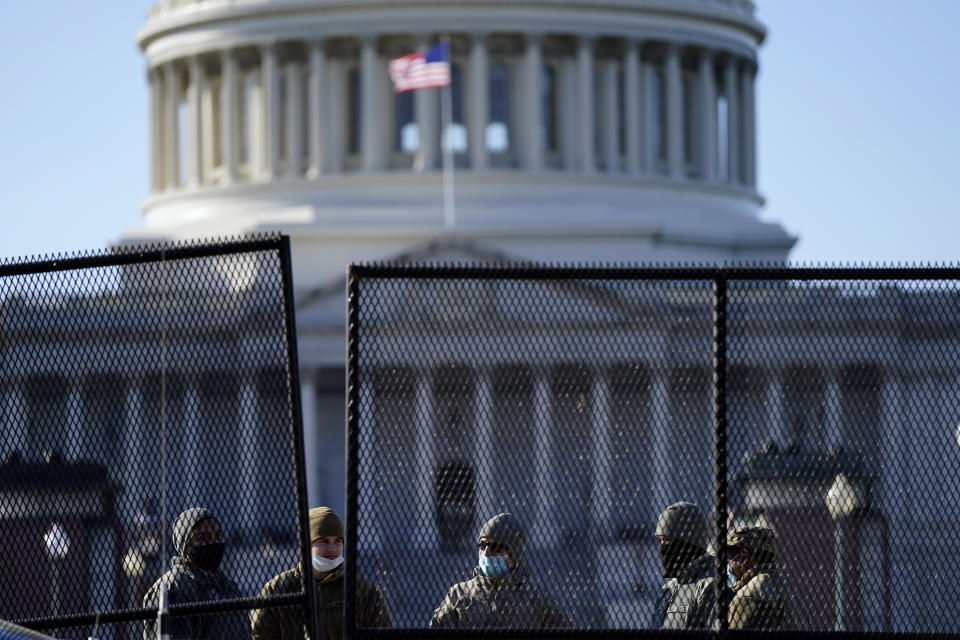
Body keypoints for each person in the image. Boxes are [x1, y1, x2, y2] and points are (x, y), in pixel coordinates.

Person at [251, 507, 391, 640]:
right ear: (307, 544)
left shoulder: (363, 591)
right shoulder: (277, 589)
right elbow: (259, 634)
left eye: (338, 541)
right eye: (324, 541)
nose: (332, 548)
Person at [430, 513, 570, 629]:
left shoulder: (537, 602)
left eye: (497, 548)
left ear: (513, 555)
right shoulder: (458, 594)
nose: (486, 552)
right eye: (483, 544)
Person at [142, 507, 248, 640]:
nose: (214, 542)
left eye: (218, 536)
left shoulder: (228, 587)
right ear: (186, 545)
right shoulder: (173, 588)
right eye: (203, 538)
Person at [651, 501, 718, 629]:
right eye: (661, 540)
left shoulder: (709, 586)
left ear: (690, 541)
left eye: (668, 540)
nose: (663, 547)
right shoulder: (668, 590)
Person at [725, 525, 796, 630]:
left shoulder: (747, 595)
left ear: (744, 556)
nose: (729, 567)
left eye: (729, 560)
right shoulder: (786, 587)